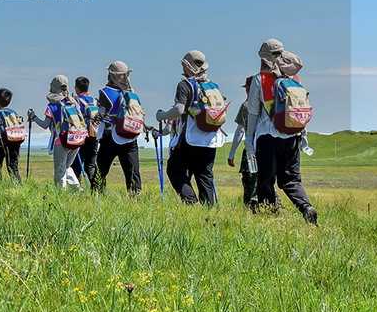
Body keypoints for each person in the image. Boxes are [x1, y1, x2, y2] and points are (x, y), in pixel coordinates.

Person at [244, 39, 318, 225]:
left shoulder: (259, 80)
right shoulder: (295, 80)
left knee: (266, 180)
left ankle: (270, 219)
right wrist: (303, 136)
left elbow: (252, 113)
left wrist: (249, 140)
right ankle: (306, 207)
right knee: (291, 180)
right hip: (293, 135)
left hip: (267, 138)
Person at [156, 51, 226, 205]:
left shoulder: (185, 85)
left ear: (187, 66)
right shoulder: (213, 86)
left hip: (191, 138)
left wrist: (162, 116)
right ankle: (209, 212)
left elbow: (179, 110)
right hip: (211, 139)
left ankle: (190, 202)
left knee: (174, 170)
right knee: (205, 176)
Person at [95, 61, 144, 196]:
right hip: (130, 135)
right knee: (133, 172)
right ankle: (135, 198)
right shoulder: (132, 93)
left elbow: (101, 113)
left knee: (101, 170)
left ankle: (97, 196)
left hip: (110, 136)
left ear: (111, 75)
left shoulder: (105, 93)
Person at [28, 75, 83, 189]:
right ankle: (76, 188)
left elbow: (45, 125)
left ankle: (60, 193)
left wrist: (33, 117)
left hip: (61, 140)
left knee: (60, 170)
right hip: (77, 139)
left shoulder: (51, 106)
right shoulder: (73, 102)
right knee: (67, 166)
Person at [228, 77, 258, 209]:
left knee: (249, 180)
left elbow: (240, 130)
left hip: (251, 150)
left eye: (247, 88)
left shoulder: (246, 106)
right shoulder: (267, 104)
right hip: (267, 148)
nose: (246, 90)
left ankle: (250, 208)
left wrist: (232, 153)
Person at [0, 88, 23, 183]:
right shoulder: (14, 113)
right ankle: (18, 184)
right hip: (15, 141)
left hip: (1, 141)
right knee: (13, 165)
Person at [71, 76, 101, 188]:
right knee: (91, 164)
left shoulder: (77, 101)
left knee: (76, 164)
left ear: (76, 88)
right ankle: (97, 190)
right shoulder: (94, 100)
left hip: (82, 136)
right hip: (94, 135)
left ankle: (76, 190)